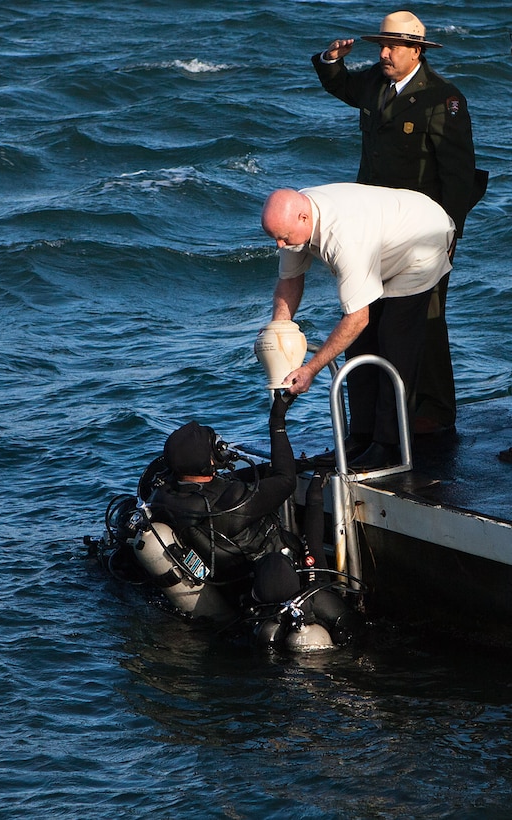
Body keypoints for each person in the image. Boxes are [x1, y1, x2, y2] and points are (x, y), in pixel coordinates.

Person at [310, 10, 486, 435]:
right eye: (381, 46)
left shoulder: (443, 99)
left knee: (426, 317)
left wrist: (450, 233)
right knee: (374, 317)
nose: (384, 54)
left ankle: (435, 410)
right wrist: (331, 60)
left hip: (422, 232)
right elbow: (342, 86)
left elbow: (459, 176)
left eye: (393, 47)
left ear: (417, 52)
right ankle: (378, 418)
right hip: (372, 224)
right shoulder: (375, 81)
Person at [261, 183, 456, 469]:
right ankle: (361, 435)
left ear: (304, 218)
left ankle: (389, 445)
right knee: (359, 346)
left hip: (424, 239)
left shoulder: (344, 237)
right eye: (276, 238)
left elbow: (357, 318)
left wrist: (310, 369)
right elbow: (290, 279)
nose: (280, 245)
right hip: (384, 240)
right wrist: (278, 330)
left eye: (284, 238)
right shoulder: (293, 224)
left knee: (394, 339)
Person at [147, 393, 356, 643]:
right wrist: (277, 420)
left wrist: (291, 465)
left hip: (239, 592)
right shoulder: (235, 502)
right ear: (209, 461)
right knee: (349, 623)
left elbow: (229, 482)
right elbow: (285, 481)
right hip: (281, 576)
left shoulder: (166, 500)